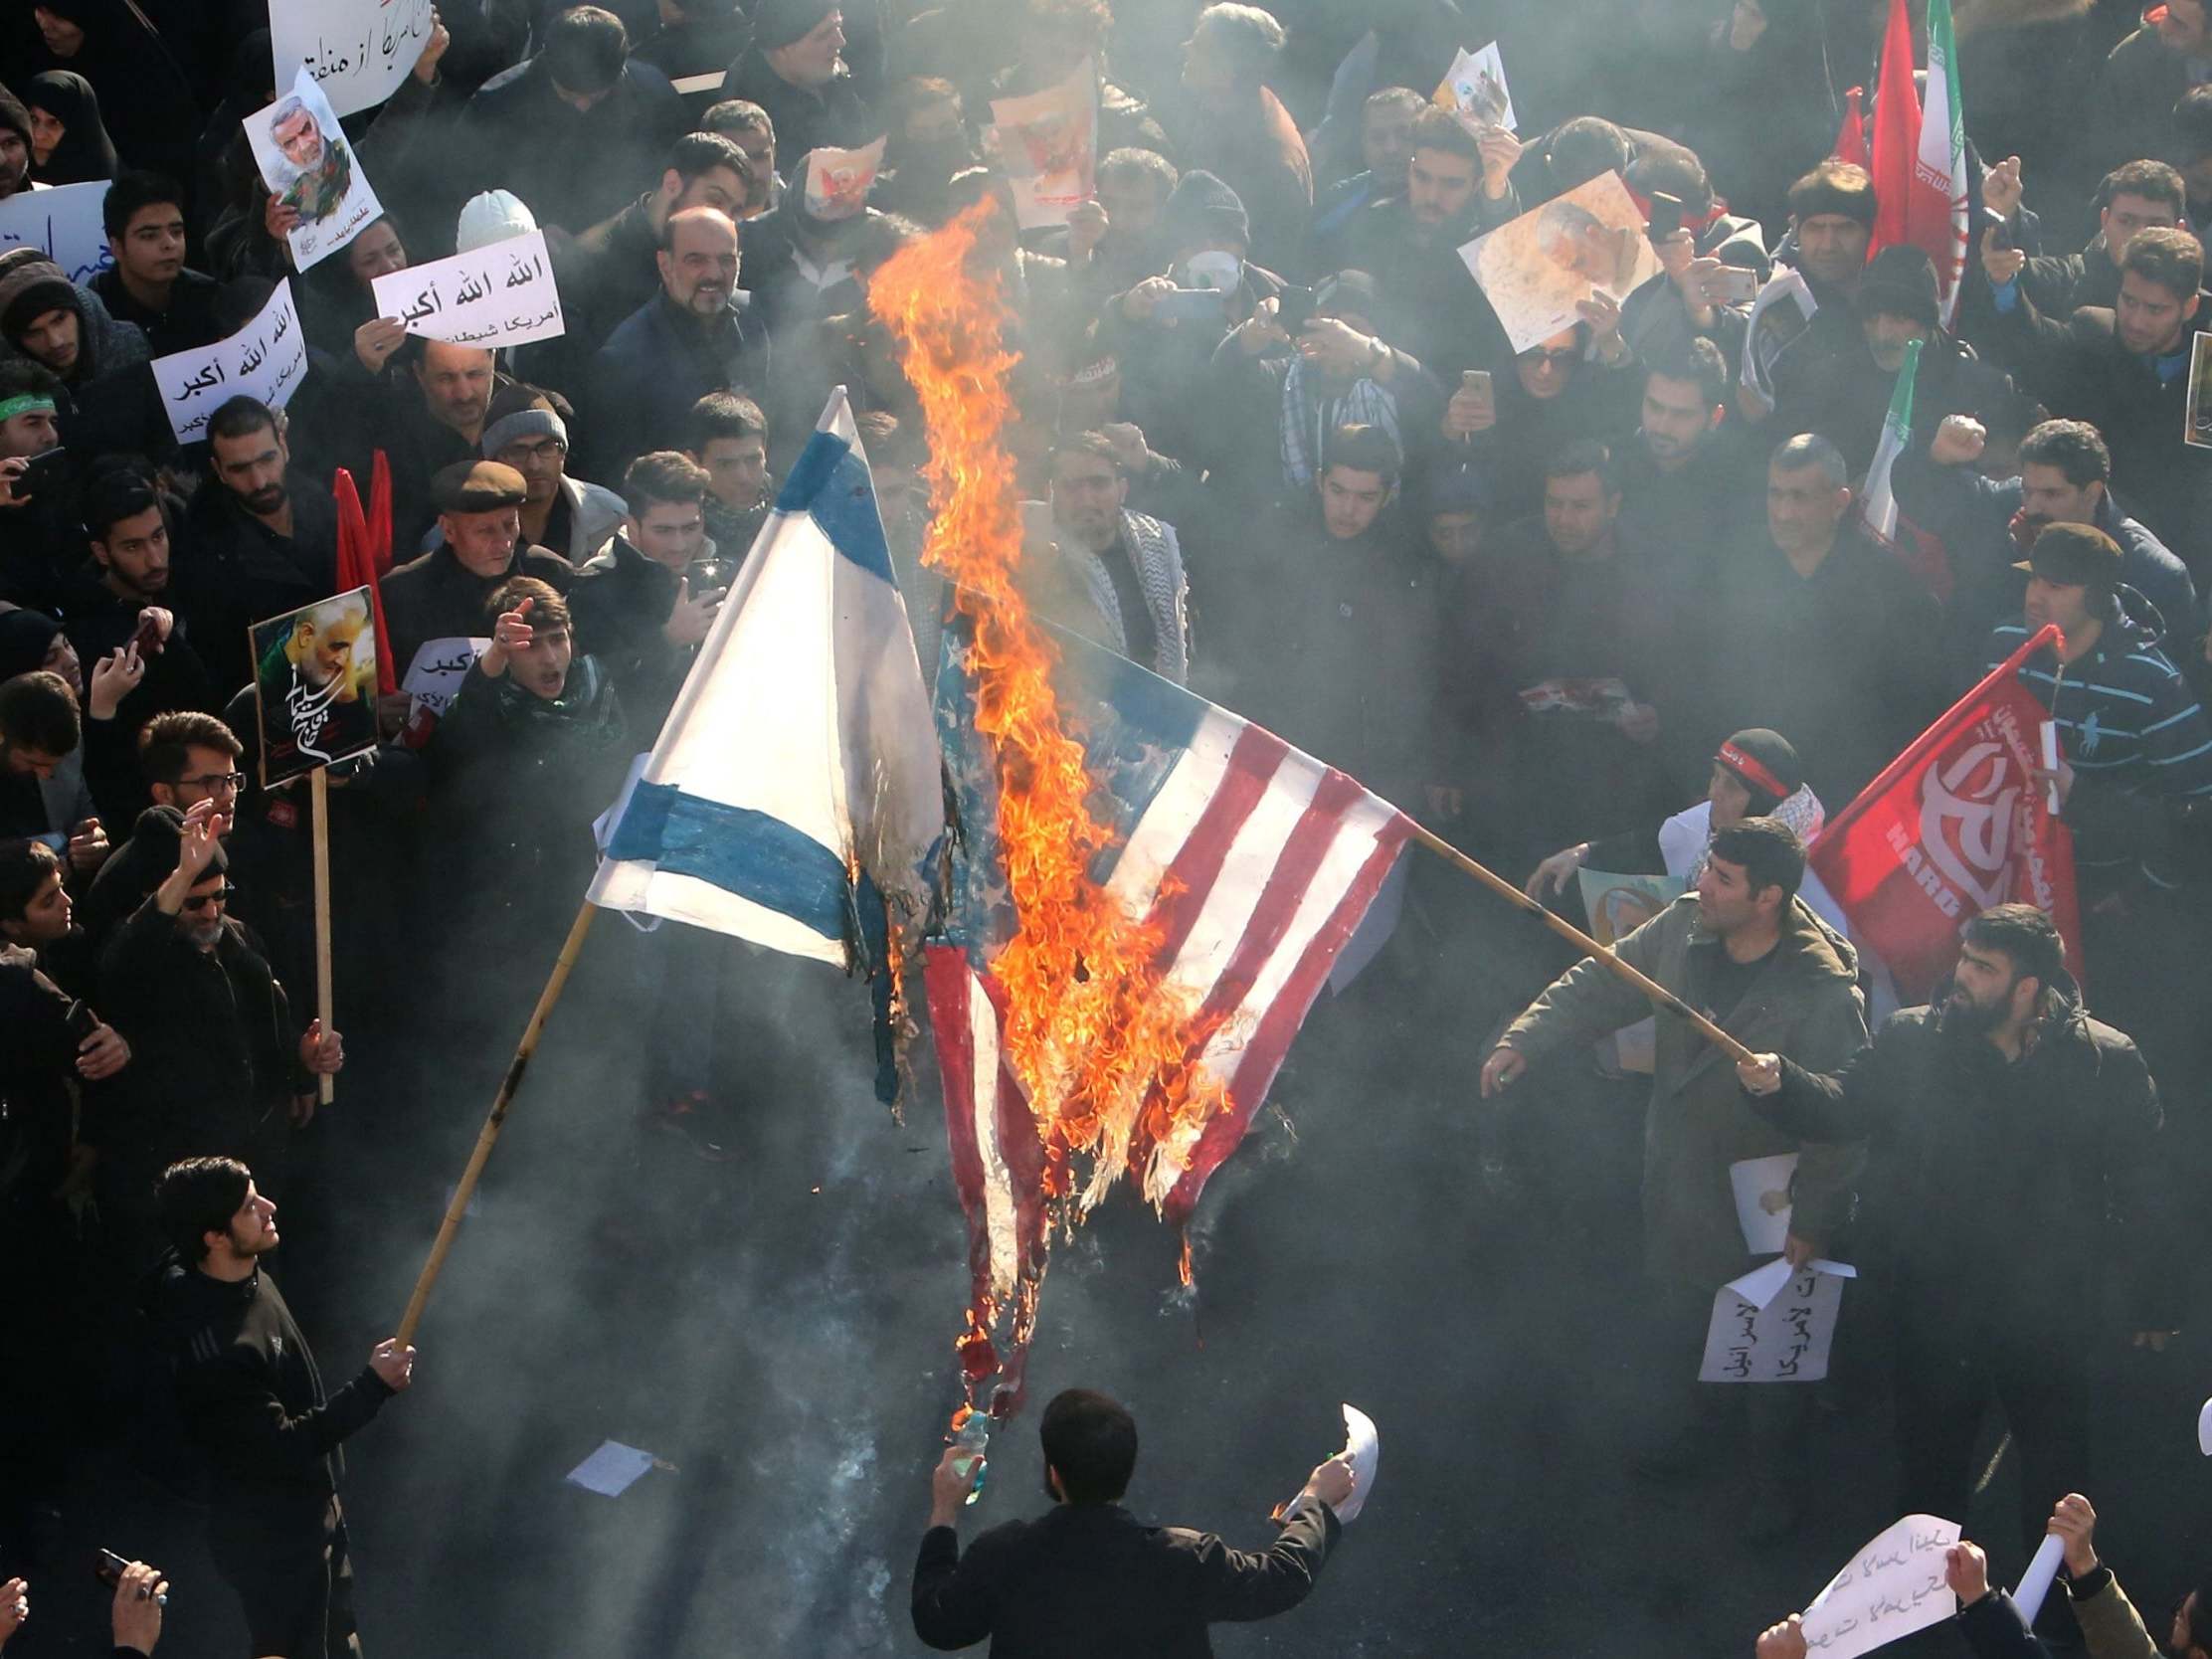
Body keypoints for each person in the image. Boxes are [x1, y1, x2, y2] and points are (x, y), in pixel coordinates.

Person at [1738, 904, 2170, 1557]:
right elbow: (1842, 1104)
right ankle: (1918, 1607)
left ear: (2029, 989)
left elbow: (2142, 1185)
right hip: (1938, 1303)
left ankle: (2056, 1610)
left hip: (2046, 1310)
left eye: (1984, 967)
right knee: (1928, 1473)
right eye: (1965, 959)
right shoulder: (1915, 1042)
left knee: (2056, 1477)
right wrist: (1778, 1084)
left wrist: (2154, 1297)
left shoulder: (2102, 1061)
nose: (1961, 975)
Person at [1482, 819, 1868, 1535]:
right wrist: (1526, 1038)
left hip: (1770, 1202)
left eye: (1723, 878)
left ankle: (1775, 1492)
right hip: (1682, 1178)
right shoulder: (1684, 930)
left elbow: (1845, 1118)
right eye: (1708, 869)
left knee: (1769, 1351)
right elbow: (1601, 979)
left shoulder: (1822, 987)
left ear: (1769, 898)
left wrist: (1815, 1219)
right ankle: (1698, 1445)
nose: (1702, 885)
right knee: (1688, 1320)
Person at [150, 1156, 411, 1659]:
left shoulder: (245, 1272)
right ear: (214, 1237)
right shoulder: (220, 1350)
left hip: (311, 1514)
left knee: (338, 1641)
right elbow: (281, 1447)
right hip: (275, 1540)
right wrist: (373, 1387)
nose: (268, 1207)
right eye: (249, 1206)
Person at [910, 1386, 1353, 1654]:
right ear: (1128, 1468)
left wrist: (945, 1507)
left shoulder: (1005, 1556)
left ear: (1054, 1472)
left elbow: (937, 1623)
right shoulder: (1181, 1561)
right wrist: (1315, 1502)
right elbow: (1284, 1580)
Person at [1693, 434, 1947, 811]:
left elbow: (1921, 699)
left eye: (1799, 497)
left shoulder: (1890, 587)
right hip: (1754, 794)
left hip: (1853, 796)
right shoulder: (1738, 575)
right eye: (1775, 494)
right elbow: (1710, 678)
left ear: (1839, 501)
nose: (1783, 512)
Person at [1895, 413, 2198, 668]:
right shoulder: (2006, 502)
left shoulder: (2152, 571)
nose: (2033, 507)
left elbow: (2177, 681)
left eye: (2052, 494)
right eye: (2028, 490)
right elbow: (1929, 501)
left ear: (2092, 492)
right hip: (1989, 698)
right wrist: (1936, 456)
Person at [460, 5, 688, 235]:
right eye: (569, 95)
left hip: (627, 244)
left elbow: (675, 181)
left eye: (596, 97)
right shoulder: (494, 105)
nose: (582, 105)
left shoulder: (654, 96)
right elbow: (466, 194)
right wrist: (526, 231)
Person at [592, 206, 771, 473]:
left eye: (726, 260)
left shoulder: (750, 314)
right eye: (696, 261)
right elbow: (620, 476)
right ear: (665, 265)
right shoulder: (625, 357)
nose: (714, 274)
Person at [181, 397, 340, 698]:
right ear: (219, 470)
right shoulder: (210, 557)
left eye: (267, 459)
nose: (259, 482)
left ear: (284, 446)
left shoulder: (328, 502)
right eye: (240, 469)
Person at [571, 450, 724, 722]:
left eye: (690, 528)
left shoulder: (727, 574)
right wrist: (667, 641)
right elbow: (598, 707)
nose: (679, 545)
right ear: (632, 526)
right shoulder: (591, 593)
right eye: (663, 531)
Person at [378, 461, 575, 672]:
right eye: (485, 531)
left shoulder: (549, 571)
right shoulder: (403, 593)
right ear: (449, 530)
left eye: (509, 525)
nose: (505, 543)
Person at [1026, 432, 1190, 683]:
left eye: (1099, 484)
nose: (1086, 499)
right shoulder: (1033, 559)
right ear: (1051, 493)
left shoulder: (1159, 546)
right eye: (1070, 486)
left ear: (1122, 490)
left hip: (1159, 710)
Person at [1169, 4, 1310, 276]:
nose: (1186, 47)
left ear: (1229, 68)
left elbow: (1269, 259)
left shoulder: (1270, 156)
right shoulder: (1219, 105)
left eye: (1199, 46)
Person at [482, 385, 627, 567]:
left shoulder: (611, 516)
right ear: (492, 462)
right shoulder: (463, 526)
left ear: (562, 454)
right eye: (517, 451)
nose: (534, 464)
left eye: (546, 448)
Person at [720, 0, 872, 169]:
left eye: (838, 27)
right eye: (824, 34)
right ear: (782, 47)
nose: (840, 41)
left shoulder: (829, 76)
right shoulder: (745, 108)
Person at [92, 171, 223, 358]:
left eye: (176, 231)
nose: (169, 244)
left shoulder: (211, 298)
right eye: (149, 236)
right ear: (117, 247)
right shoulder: (95, 319)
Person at [685, 390, 772, 552]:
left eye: (753, 460)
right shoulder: (675, 528)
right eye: (726, 464)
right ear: (694, 463)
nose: (743, 477)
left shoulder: (795, 512)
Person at [266, 94, 352, 226]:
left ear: (316, 121)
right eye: (290, 143)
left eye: (306, 129)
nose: (305, 146)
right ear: (284, 154)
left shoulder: (348, 154)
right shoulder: (291, 205)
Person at [23, 69, 115, 185]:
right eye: (33, 119)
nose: (38, 135)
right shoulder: (9, 181)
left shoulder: (114, 193)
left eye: (54, 122)